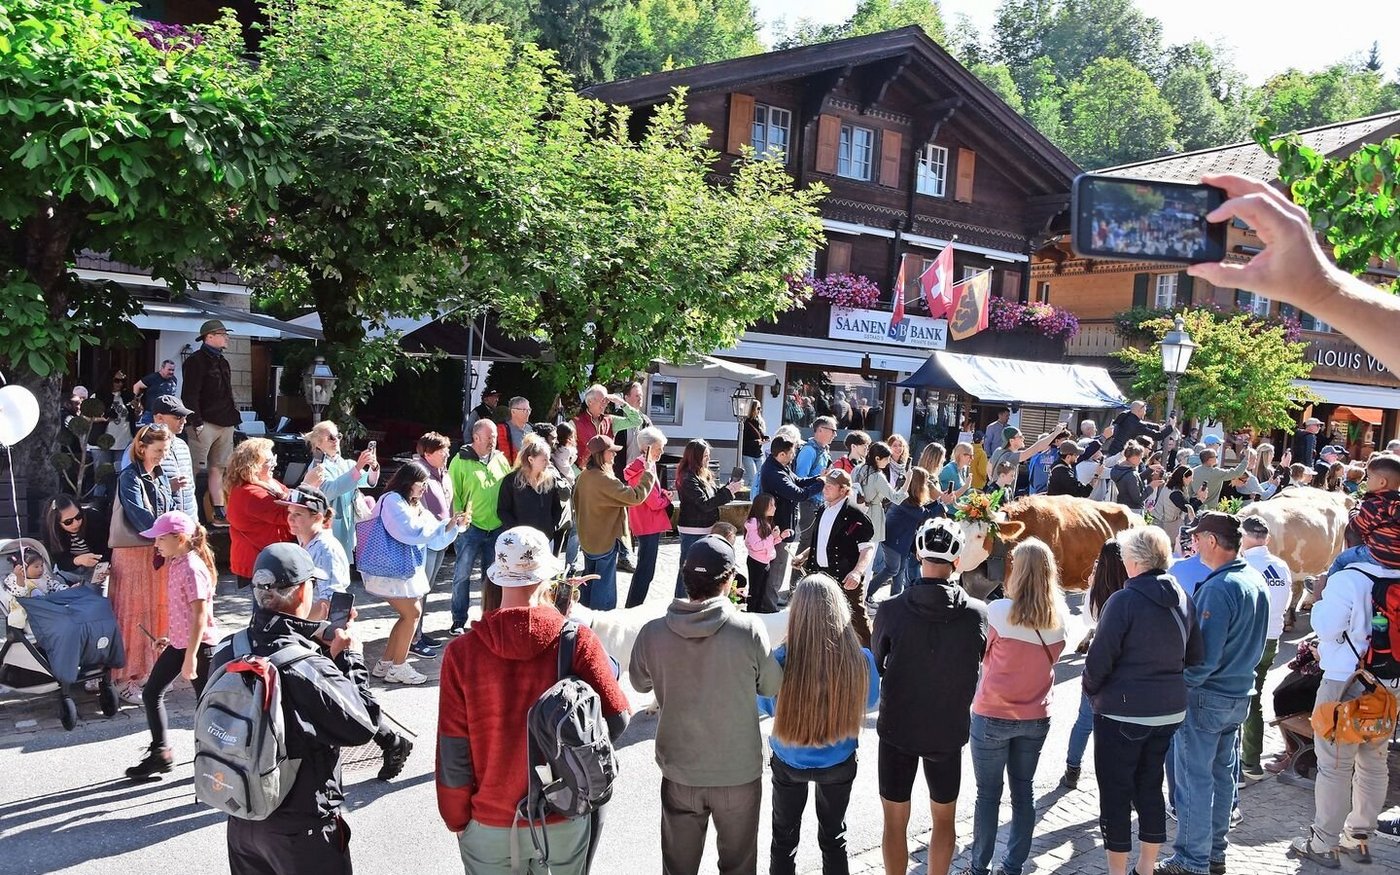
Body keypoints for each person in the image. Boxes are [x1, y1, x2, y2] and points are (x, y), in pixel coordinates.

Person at [436, 527, 631, 874]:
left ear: (496, 576)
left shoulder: (461, 653)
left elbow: (453, 750)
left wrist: (457, 818)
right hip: (561, 814)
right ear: (549, 577)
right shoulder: (577, 640)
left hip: (489, 823)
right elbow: (618, 718)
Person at [629, 535, 784, 875]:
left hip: (680, 770)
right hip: (738, 773)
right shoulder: (748, 629)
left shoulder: (653, 632)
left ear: (685, 576)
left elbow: (639, 684)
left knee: (678, 868)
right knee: (739, 867)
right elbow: (772, 685)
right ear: (729, 580)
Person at [223, 543, 379, 875]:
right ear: (300, 593)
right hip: (300, 824)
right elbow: (362, 725)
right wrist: (350, 658)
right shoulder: (304, 665)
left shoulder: (229, 648)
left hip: (243, 817)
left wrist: (314, 640)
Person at [1083, 527, 1203, 875]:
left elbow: (1098, 661)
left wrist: (1093, 691)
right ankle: (1146, 868)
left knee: (1116, 792)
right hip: (1168, 709)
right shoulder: (1182, 595)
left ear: (1134, 560)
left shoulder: (1123, 600)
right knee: (1150, 786)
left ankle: (1118, 871)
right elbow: (1195, 655)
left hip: (1123, 710)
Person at [1157, 512, 1269, 875]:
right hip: (1238, 693)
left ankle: (1191, 860)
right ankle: (1214, 853)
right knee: (1222, 776)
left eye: (1196, 538)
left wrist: (1179, 685)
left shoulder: (1221, 587)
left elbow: (1205, 656)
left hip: (1208, 696)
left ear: (1211, 541)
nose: (1192, 544)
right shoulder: (1252, 578)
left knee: (1194, 780)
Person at [874, 516, 986, 875]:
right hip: (946, 729)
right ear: (956, 562)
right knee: (944, 818)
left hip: (898, 727)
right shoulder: (976, 614)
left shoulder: (891, 610)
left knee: (894, 821)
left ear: (919, 556)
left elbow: (878, 661)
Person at [1288, 516, 1400, 868]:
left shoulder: (1348, 580)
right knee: (1374, 760)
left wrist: (1319, 597)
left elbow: (1327, 629)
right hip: (1388, 684)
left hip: (1344, 683)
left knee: (1335, 766)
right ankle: (1360, 835)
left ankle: (1323, 843)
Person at [757, 574, 879, 875]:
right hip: (839, 759)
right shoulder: (860, 658)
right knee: (834, 838)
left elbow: (765, 704)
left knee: (783, 842)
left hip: (789, 760)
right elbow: (871, 702)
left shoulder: (780, 659)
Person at [967, 538, 1068, 875]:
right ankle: (1012, 866)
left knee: (988, 795)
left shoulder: (997, 612)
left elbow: (982, 655)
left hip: (992, 713)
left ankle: (979, 867)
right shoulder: (1059, 623)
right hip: (1036, 715)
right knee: (1023, 792)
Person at [125, 511, 219, 780]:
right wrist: (170, 635)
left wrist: (190, 656)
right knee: (151, 692)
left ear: (180, 539)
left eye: (160, 539)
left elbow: (201, 615)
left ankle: (219, 758)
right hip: (181, 643)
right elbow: (184, 611)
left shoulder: (191, 567)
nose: (156, 544)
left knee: (207, 706)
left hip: (199, 647)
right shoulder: (177, 562)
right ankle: (160, 753)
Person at [363, 461, 467, 685]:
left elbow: (435, 537)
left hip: (401, 571)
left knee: (407, 615)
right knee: (412, 614)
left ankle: (386, 663)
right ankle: (398, 667)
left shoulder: (412, 503)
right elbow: (411, 531)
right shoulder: (391, 500)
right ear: (409, 482)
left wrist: (452, 524)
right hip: (389, 570)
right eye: (422, 483)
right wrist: (443, 525)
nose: (424, 489)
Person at [109, 423, 176, 701]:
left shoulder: (159, 474)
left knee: (154, 610)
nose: (163, 455)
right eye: (159, 450)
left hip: (156, 552)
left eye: (166, 450)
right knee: (132, 614)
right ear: (142, 447)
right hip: (134, 553)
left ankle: (148, 670)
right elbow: (141, 518)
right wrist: (170, 533)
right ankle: (123, 678)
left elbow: (170, 509)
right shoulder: (129, 476)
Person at [1062, 539, 1130, 790]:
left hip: (1098, 658)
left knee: (1084, 720)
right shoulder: (1129, 590)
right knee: (1120, 723)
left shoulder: (1096, 589)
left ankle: (1072, 767)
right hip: (1123, 661)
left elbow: (1088, 620)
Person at [1238, 516, 1292, 781]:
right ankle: (1250, 762)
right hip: (1272, 639)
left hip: (1249, 639)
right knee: (1254, 697)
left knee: (1241, 699)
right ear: (1267, 539)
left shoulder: (1243, 565)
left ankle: (1244, 764)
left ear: (1243, 537)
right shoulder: (1281, 566)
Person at [574, 434, 654, 610]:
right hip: (604, 541)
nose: (615, 455)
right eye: (611, 452)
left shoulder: (583, 476)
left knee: (588, 585)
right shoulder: (605, 479)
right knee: (603, 594)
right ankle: (601, 629)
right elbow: (635, 497)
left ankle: (585, 624)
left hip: (588, 541)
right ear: (601, 454)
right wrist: (648, 475)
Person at [448, 418, 512, 634]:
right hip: (471, 527)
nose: (494, 441)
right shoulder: (460, 460)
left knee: (492, 577)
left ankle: (489, 619)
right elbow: (452, 493)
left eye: (494, 437)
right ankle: (458, 620)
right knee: (462, 574)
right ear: (476, 437)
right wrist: (459, 521)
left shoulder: (500, 459)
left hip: (495, 527)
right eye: (490, 437)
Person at [804, 469, 876, 648]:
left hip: (845, 576)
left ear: (843, 490)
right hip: (821, 574)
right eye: (825, 485)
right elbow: (822, 541)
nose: (825, 489)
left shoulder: (855, 515)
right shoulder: (822, 509)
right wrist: (804, 555)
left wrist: (857, 573)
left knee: (856, 618)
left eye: (830, 486)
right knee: (820, 617)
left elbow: (866, 548)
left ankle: (872, 657)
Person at [181, 319, 239, 526]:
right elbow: (189, 394)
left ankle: (218, 513)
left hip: (225, 421)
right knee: (193, 469)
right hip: (204, 422)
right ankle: (186, 511)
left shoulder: (223, 361)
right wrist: (195, 421)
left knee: (219, 468)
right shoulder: (195, 361)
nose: (227, 337)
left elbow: (227, 393)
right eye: (222, 333)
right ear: (209, 337)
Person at [760, 435, 825, 609]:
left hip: (783, 523)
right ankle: (769, 606)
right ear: (782, 454)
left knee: (778, 565)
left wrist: (819, 478)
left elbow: (798, 481)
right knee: (777, 566)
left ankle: (770, 601)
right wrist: (821, 485)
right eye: (792, 451)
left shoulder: (781, 466)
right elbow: (798, 493)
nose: (794, 454)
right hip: (778, 525)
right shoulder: (774, 473)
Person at [299, 421, 379, 560]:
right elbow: (330, 490)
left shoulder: (346, 463)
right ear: (318, 443)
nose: (335, 440)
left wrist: (374, 466)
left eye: (338, 436)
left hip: (347, 525)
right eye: (330, 437)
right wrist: (358, 467)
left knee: (343, 565)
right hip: (327, 523)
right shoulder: (317, 466)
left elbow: (369, 482)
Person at [674, 438, 744, 597]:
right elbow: (704, 504)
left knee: (701, 566)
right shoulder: (687, 477)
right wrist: (728, 492)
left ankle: (697, 600)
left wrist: (729, 488)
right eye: (705, 456)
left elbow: (714, 495)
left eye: (708, 455)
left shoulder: (703, 473)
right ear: (695, 457)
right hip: (692, 528)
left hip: (706, 526)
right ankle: (680, 601)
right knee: (687, 568)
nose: (708, 459)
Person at [224, 438, 292, 588]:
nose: (274, 463)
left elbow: (290, 500)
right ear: (252, 467)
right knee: (267, 609)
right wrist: (309, 485)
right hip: (260, 566)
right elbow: (290, 514)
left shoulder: (267, 483)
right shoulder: (249, 493)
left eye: (273, 458)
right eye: (268, 461)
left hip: (270, 561)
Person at [411, 431, 454, 655]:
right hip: (425, 541)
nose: (446, 453)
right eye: (441, 450)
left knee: (426, 589)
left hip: (441, 538)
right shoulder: (420, 473)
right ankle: (413, 638)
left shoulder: (441, 472)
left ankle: (419, 631)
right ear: (428, 453)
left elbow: (448, 500)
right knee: (419, 590)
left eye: (446, 449)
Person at [622, 427, 672, 608]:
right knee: (645, 571)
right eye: (659, 448)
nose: (662, 452)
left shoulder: (646, 463)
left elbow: (653, 493)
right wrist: (666, 499)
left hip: (647, 521)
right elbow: (653, 502)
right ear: (648, 448)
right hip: (647, 522)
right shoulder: (642, 467)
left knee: (645, 569)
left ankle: (634, 605)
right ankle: (633, 607)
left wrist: (663, 494)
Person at [498, 433, 571, 553]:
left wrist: (552, 527)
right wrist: (518, 532)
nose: (548, 464)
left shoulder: (550, 480)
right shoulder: (511, 481)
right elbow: (503, 510)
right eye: (544, 460)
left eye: (548, 459)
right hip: (519, 542)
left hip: (546, 540)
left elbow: (556, 508)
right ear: (531, 459)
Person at [42, 495, 109, 585]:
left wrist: (106, 566)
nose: (76, 523)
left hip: (96, 568)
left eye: (78, 516)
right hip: (68, 570)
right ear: (56, 523)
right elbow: (60, 561)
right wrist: (78, 560)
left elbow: (108, 548)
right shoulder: (50, 530)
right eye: (68, 522)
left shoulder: (94, 518)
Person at [743, 494, 790, 615]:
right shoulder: (753, 524)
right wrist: (771, 537)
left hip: (765, 561)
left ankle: (758, 612)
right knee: (755, 591)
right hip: (756, 561)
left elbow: (768, 544)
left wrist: (779, 537)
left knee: (762, 590)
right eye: (771, 505)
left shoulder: (766, 522)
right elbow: (756, 545)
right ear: (762, 507)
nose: (775, 508)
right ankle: (752, 613)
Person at [988, 426, 1062, 496]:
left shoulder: (998, 451)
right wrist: (1055, 433)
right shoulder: (1011, 457)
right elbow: (1037, 447)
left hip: (992, 494)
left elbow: (988, 468)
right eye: (1020, 437)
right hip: (1001, 498)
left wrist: (994, 480)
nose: (1023, 438)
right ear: (1011, 440)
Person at [1103, 400, 1174, 461]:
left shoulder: (1126, 415)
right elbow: (1158, 436)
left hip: (1112, 451)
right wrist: (1171, 427)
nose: (1145, 412)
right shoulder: (1137, 424)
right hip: (1120, 455)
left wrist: (1159, 427)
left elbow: (1144, 424)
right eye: (1144, 410)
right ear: (1140, 410)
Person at [1108, 445, 1159, 512]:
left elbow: (1132, 481)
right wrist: (1151, 486)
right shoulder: (1131, 474)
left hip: (1122, 507)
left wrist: (1149, 470)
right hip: (1134, 511)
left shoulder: (1117, 469)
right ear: (1134, 458)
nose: (1140, 461)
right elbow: (1138, 499)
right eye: (1140, 458)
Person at [132, 359, 178, 425]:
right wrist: (136, 402)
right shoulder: (152, 378)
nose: (171, 372)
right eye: (169, 369)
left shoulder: (174, 380)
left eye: (173, 370)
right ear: (162, 368)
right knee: (147, 433)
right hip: (150, 414)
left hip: (166, 414)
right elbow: (136, 386)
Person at [493, 395, 532, 465]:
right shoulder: (502, 429)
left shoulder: (531, 428)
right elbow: (502, 455)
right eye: (524, 410)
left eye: (529, 410)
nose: (528, 413)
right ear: (513, 412)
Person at [740, 400, 769, 492]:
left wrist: (765, 438)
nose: (760, 410)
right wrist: (757, 442)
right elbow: (742, 442)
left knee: (761, 479)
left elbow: (760, 435)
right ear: (752, 409)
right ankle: (753, 499)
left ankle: (757, 498)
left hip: (758, 454)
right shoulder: (745, 423)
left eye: (760, 408)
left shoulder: (759, 422)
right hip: (748, 455)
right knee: (753, 479)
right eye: (758, 408)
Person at [937, 442, 972, 507]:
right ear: (961, 455)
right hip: (947, 513)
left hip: (958, 511)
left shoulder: (964, 469)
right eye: (970, 456)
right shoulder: (948, 470)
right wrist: (966, 486)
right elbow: (948, 497)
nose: (972, 458)